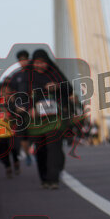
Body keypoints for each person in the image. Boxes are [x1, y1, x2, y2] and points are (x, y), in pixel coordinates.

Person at [24, 49, 75, 190]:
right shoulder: (28, 76)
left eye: (43, 63)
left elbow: (69, 89)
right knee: (40, 149)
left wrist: (57, 87)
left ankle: (53, 179)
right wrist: (29, 108)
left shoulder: (54, 73)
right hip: (36, 120)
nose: (40, 65)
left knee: (54, 147)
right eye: (37, 63)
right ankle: (44, 178)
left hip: (54, 118)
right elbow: (21, 95)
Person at [5, 49, 31, 172]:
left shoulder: (34, 74)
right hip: (21, 111)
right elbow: (10, 92)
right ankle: (28, 155)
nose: (23, 62)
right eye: (21, 60)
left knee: (36, 134)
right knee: (23, 136)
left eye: (25, 59)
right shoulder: (16, 76)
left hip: (34, 109)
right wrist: (15, 106)